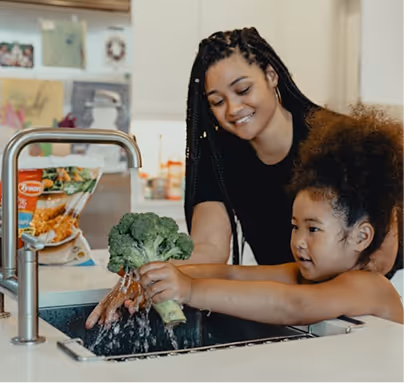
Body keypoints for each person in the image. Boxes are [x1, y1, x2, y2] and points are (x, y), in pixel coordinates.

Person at [85, 27, 401, 329]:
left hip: (359, 310)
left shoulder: (339, 146)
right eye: (217, 101)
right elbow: (224, 263)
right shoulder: (220, 153)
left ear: (271, 75)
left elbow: (297, 302)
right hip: (310, 289)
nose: (233, 108)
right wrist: (155, 275)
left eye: (243, 89)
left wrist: (191, 289)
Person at [138, 105, 404, 325]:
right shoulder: (309, 274)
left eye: (313, 229)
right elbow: (233, 276)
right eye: (294, 226)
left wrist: (189, 290)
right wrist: (164, 273)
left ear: (361, 237)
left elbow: (292, 305)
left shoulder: (369, 286)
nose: (299, 240)